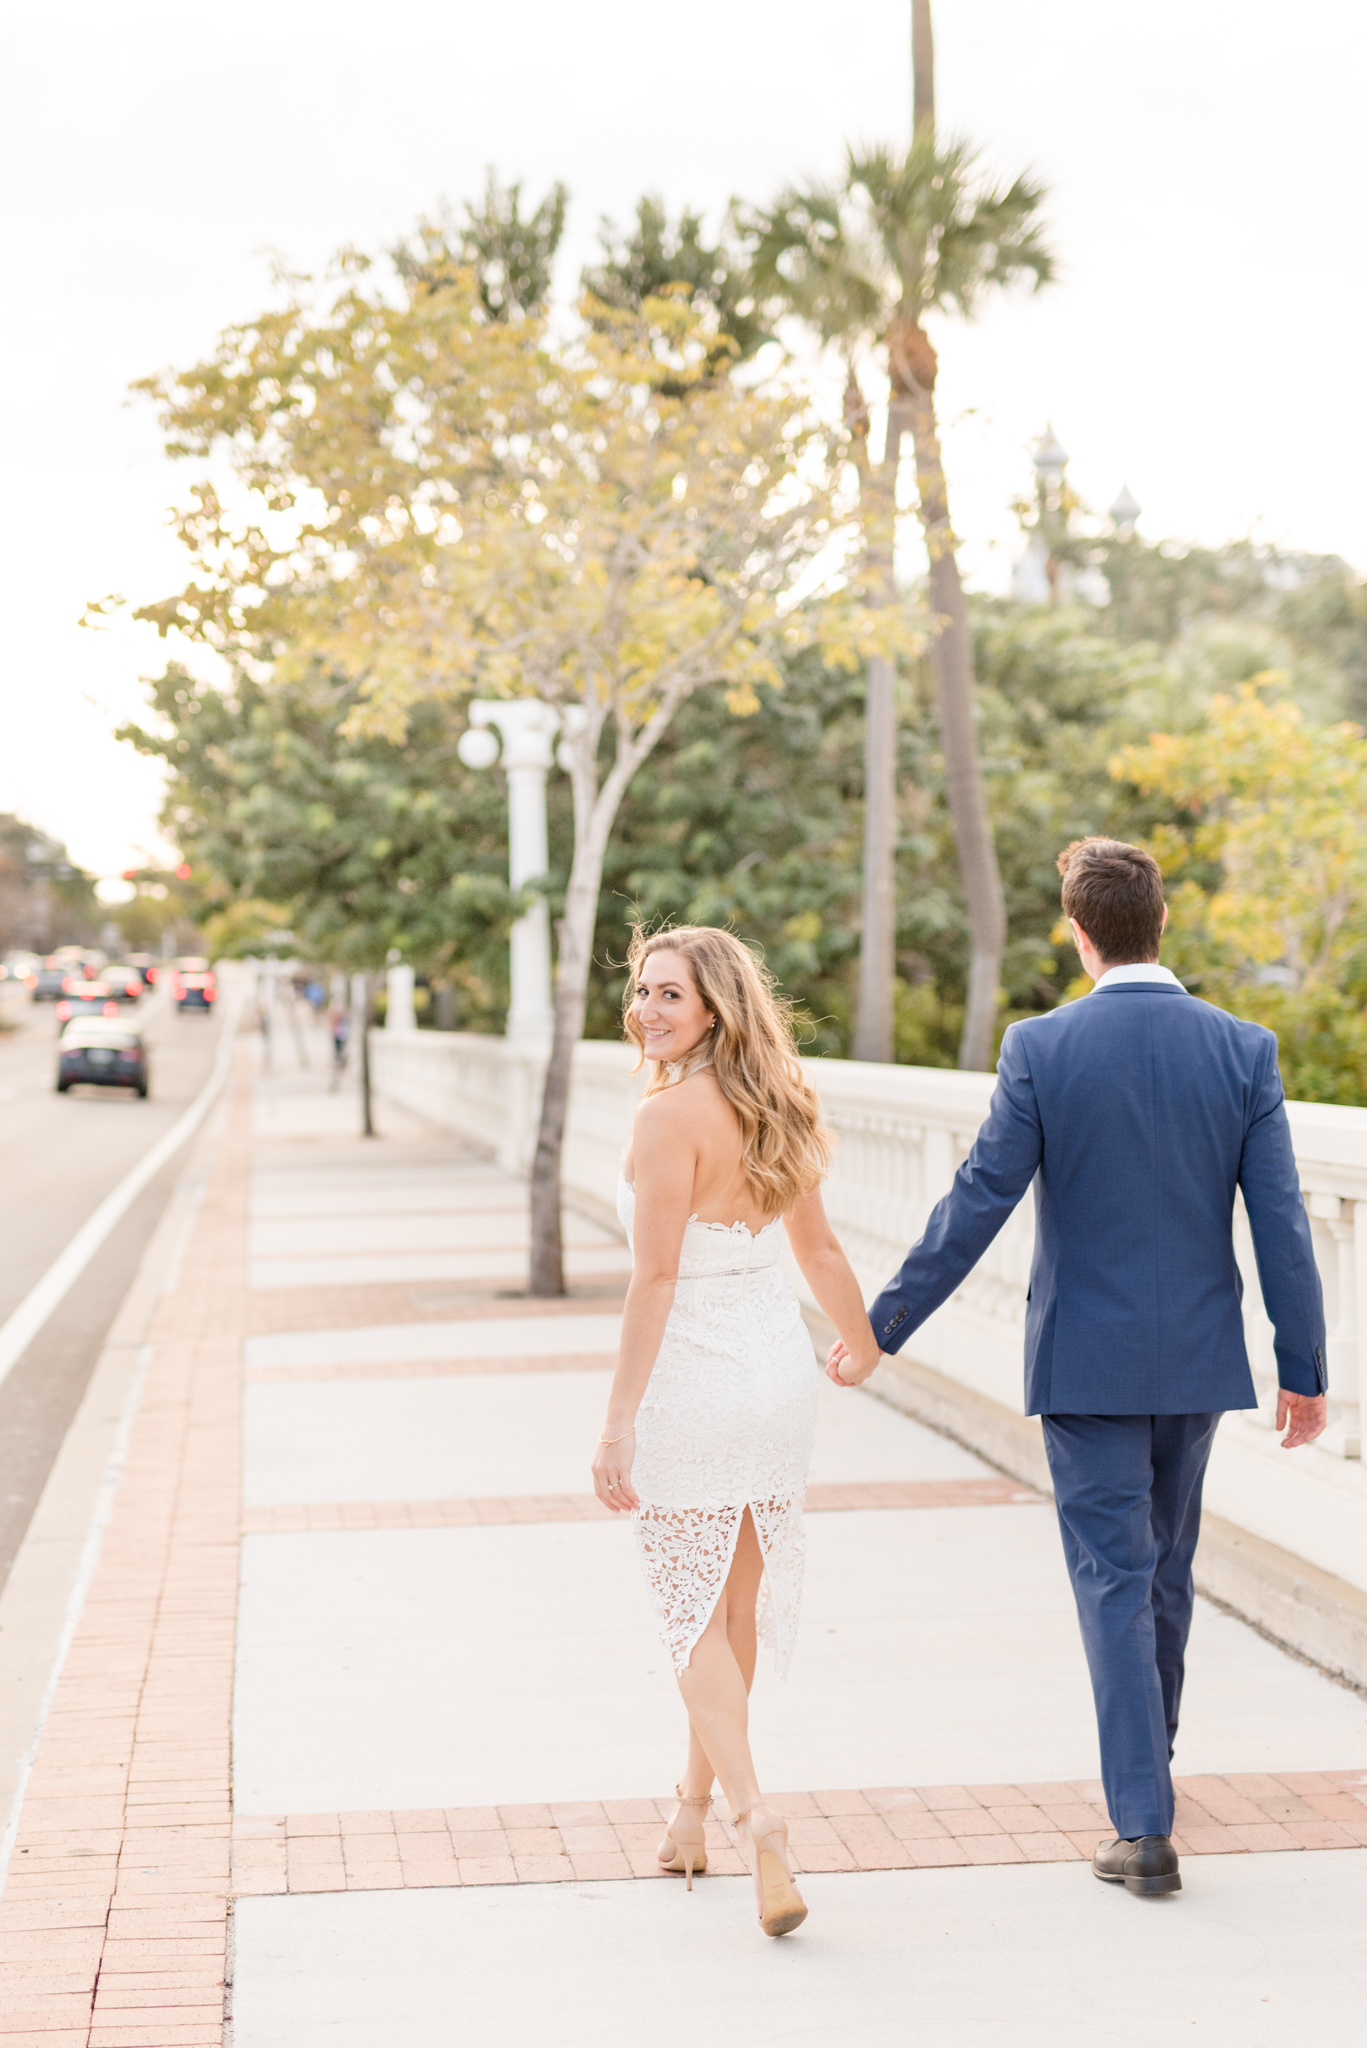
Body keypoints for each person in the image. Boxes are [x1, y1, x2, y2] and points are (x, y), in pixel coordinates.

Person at [829, 838, 1326, 1900]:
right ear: (1158, 923)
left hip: (1084, 1361)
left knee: (1112, 1577)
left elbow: (977, 1198)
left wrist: (884, 1323)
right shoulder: (1243, 1047)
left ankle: (1141, 1825)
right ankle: (1148, 1770)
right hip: (1194, 1360)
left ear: (1078, 931)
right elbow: (1279, 1223)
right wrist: (1303, 1365)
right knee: (1163, 1570)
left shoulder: (1039, 1047)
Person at [592, 926, 880, 1937]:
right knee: (733, 1610)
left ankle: (758, 1816)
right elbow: (819, 1247)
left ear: (713, 1006)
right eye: (640, 991)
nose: (647, 1010)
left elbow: (654, 1277)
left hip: (699, 1380)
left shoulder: (666, 1117)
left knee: (689, 1614)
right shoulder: (775, 1100)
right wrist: (860, 1341)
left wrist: (617, 1421)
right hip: (774, 1374)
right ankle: (688, 1811)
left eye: (668, 993)